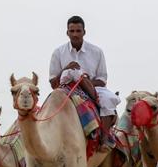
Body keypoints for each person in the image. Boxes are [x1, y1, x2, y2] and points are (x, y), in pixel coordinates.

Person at [48, 15, 119, 147]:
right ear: (67, 32)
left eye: (78, 31)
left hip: (94, 88)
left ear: (84, 32)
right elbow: (53, 83)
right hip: (66, 88)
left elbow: (102, 80)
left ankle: (104, 138)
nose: (75, 34)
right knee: (48, 108)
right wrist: (66, 69)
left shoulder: (97, 52)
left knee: (108, 100)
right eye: (72, 31)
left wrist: (84, 81)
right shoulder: (58, 53)